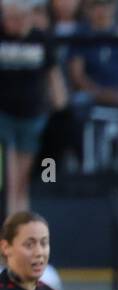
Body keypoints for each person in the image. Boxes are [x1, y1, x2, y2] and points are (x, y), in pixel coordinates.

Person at [0, 0, 68, 214]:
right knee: (8, 178)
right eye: (9, 18)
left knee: (22, 180)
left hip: (33, 116)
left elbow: (54, 78)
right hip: (3, 116)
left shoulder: (42, 40)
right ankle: (9, 226)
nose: (13, 24)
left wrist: (61, 115)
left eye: (18, 18)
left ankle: (20, 224)